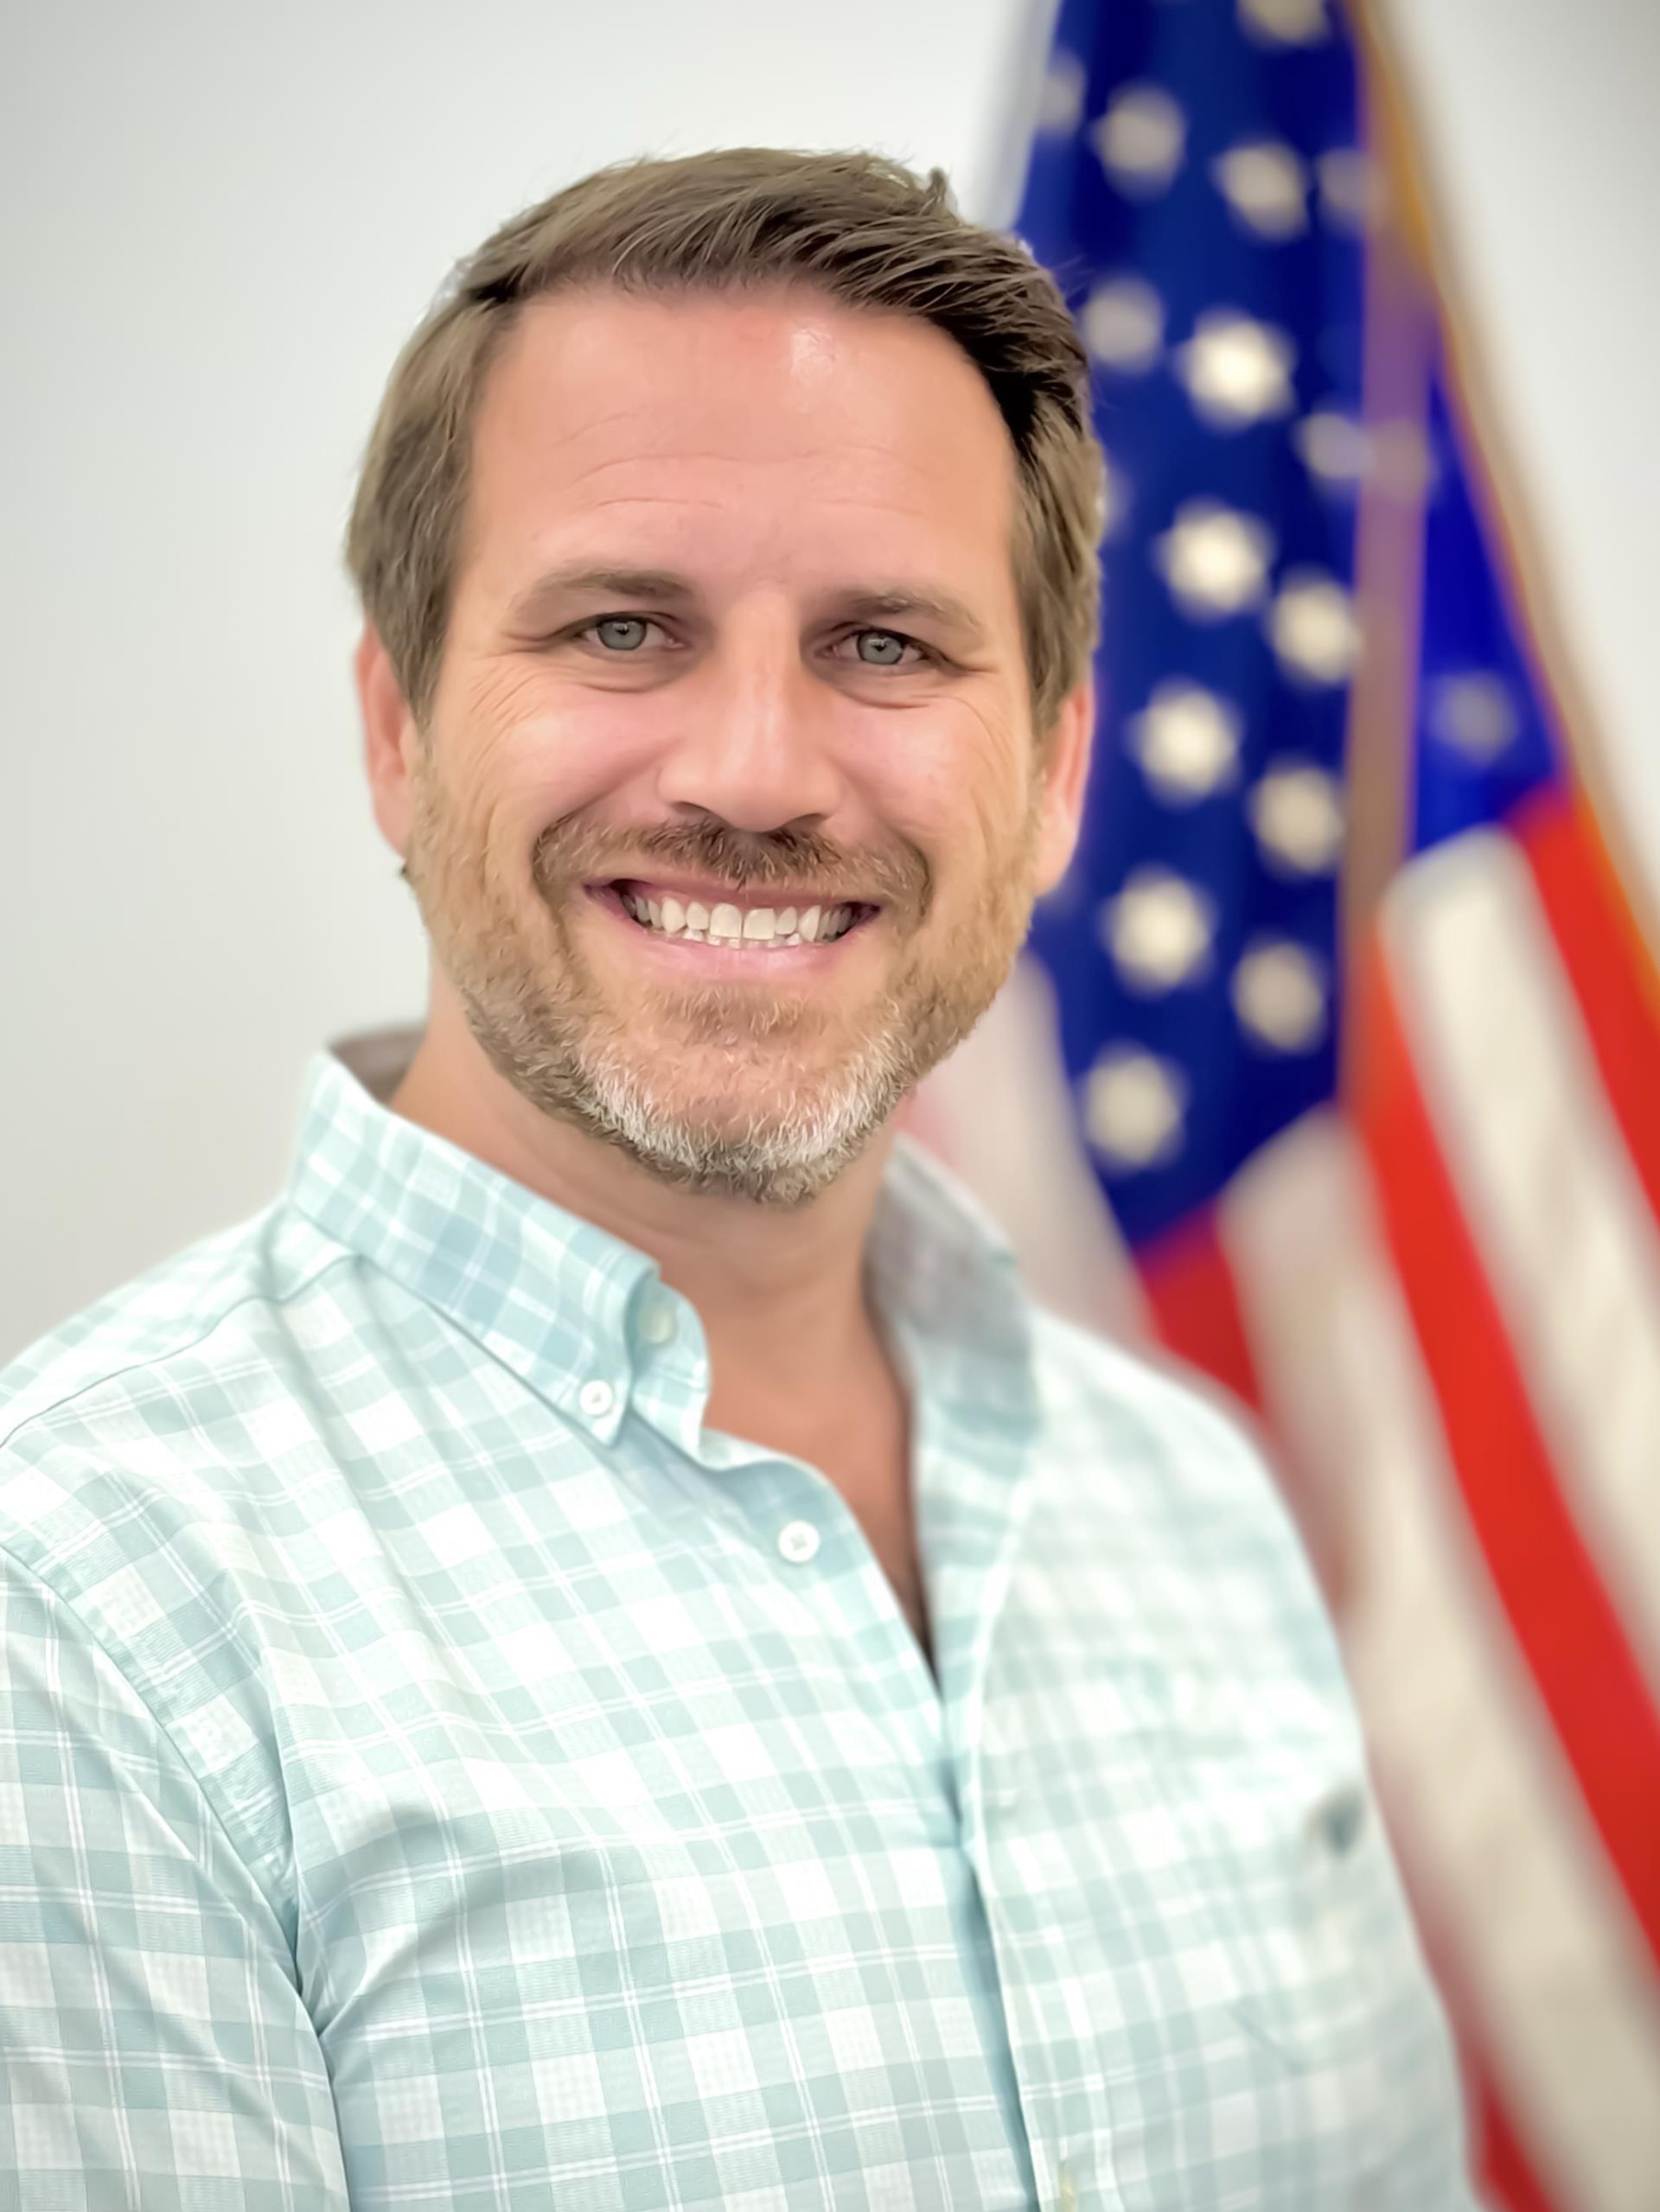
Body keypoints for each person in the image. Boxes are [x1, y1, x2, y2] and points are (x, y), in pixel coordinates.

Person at [0, 148, 1476, 2209]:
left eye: (886, 644)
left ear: (1052, 775)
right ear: (399, 732)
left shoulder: (1197, 1508)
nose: (757, 774)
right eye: (622, 625)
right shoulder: (75, 1610)